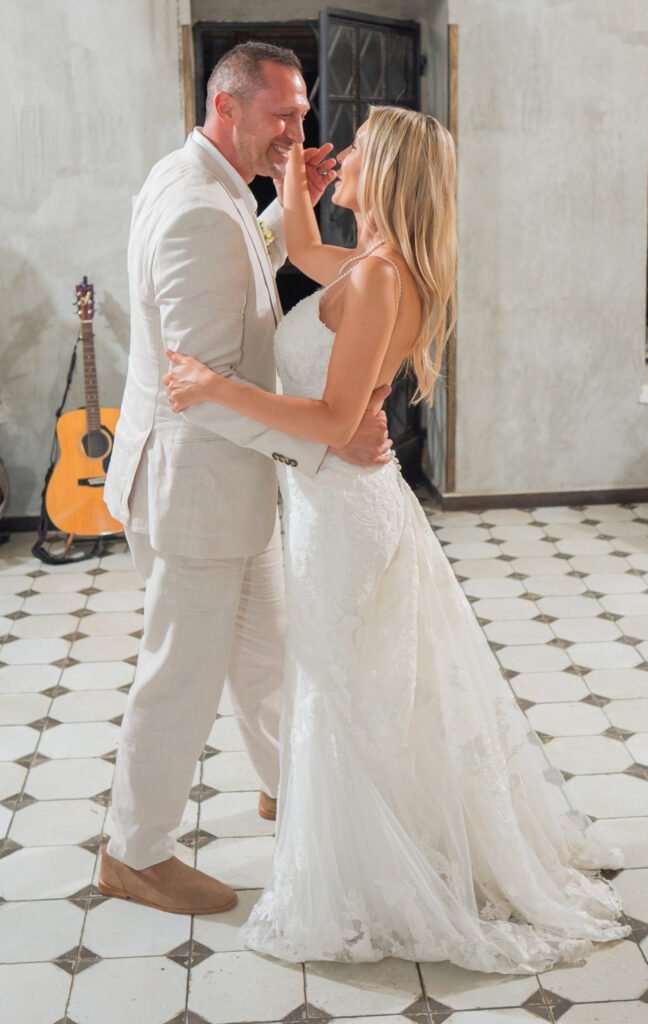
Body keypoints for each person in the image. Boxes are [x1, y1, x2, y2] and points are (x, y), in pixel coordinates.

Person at [163, 104, 630, 971]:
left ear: (391, 177)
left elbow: (340, 419)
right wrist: (285, 177)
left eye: (358, 153)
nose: (340, 159)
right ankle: (386, 841)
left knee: (343, 688)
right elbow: (301, 253)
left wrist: (214, 388)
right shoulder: (373, 263)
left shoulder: (382, 280)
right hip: (339, 504)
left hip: (343, 511)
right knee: (361, 685)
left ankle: (375, 874)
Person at [98, 42, 391, 917]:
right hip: (196, 494)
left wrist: (276, 201)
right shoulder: (198, 207)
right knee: (180, 675)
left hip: (227, 490)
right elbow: (200, 384)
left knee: (267, 656)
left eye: (302, 113)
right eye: (284, 114)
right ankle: (135, 852)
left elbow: (233, 275)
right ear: (230, 109)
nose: (302, 131)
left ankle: (288, 784)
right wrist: (326, 444)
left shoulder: (194, 180)